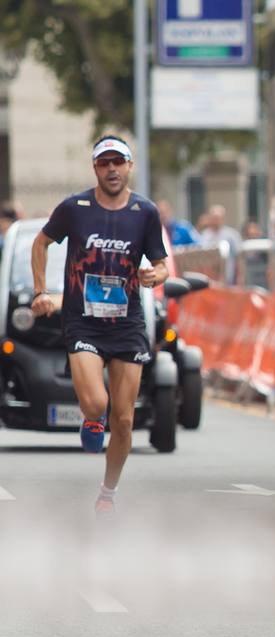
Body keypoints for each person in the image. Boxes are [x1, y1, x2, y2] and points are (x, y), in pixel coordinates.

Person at [30, 135, 169, 515]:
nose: (111, 169)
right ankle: (92, 419)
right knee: (96, 403)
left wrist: (155, 276)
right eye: (104, 163)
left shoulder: (145, 212)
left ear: (128, 166)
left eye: (118, 162)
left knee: (124, 421)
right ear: (95, 168)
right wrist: (41, 290)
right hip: (83, 321)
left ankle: (108, 491)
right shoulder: (75, 208)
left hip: (127, 324)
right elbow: (40, 243)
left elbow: (162, 263)